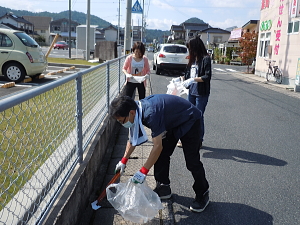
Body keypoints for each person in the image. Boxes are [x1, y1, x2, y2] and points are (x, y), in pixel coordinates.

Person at [110, 94, 210, 213]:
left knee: (192, 161)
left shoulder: (150, 114)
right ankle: (163, 188)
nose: (122, 124)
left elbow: (157, 146)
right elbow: (132, 139)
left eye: (122, 121)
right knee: (162, 154)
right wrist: (123, 161)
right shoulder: (136, 110)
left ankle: (203, 193)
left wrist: (143, 172)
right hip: (173, 122)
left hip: (190, 120)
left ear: (131, 113)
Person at [178, 36, 212, 148]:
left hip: (201, 93)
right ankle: (187, 139)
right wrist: (182, 79)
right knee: (189, 116)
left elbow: (207, 76)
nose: (189, 50)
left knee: (198, 116)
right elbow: (188, 75)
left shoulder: (205, 59)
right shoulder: (192, 59)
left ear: (196, 47)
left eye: (190, 48)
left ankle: (199, 140)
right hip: (191, 92)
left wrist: (193, 79)